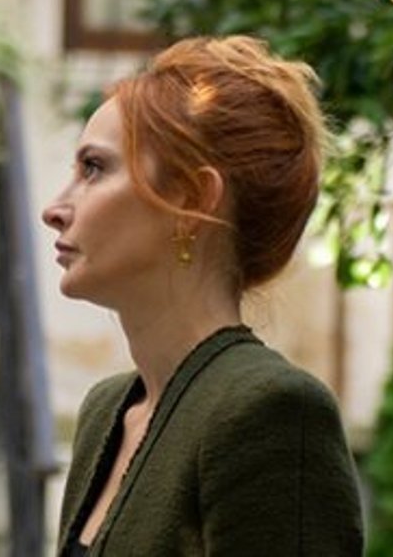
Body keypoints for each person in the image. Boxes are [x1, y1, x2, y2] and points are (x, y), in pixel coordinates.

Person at [41, 36, 363, 555]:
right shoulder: (105, 412)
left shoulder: (270, 410)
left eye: (94, 169)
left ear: (192, 198)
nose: (55, 209)